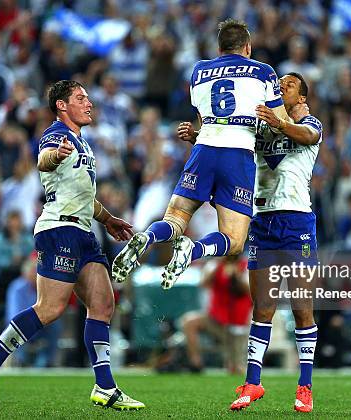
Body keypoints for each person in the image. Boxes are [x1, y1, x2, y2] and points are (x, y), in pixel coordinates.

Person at [0, 80, 144, 410]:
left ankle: (105, 387)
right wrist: (55, 155)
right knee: (50, 308)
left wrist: (108, 220)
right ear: (62, 106)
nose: (89, 103)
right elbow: (43, 160)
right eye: (80, 98)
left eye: (88, 97)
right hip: (58, 229)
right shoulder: (57, 135)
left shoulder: (84, 143)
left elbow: (86, 198)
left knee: (103, 303)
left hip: (84, 232)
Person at [112, 19, 288, 290]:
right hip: (238, 154)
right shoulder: (264, 72)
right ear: (248, 47)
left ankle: (146, 238)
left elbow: (204, 120)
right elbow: (280, 123)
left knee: (176, 217)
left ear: (219, 49)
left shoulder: (199, 71)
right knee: (234, 238)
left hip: (203, 149)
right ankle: (193, 251)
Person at [232, 73, 322, 412]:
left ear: (301, 97)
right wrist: (198, 136)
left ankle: (305, 387)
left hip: (297, 220)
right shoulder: (262, 128)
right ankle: (253, 383)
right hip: (263, 220)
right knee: (263, 308)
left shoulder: (310, 123)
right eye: (280, 83)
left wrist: (280, 122)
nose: (282, 86)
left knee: (302, 309)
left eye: (290, 84)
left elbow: (307, 134)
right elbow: (236, 147)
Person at [180, 255, 251, 374]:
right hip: (216, 319)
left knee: (235, 368)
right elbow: (203, 283)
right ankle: (196, 363)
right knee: (189, 322)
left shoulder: (246, 266)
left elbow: (249, 290)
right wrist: (218, 267)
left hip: (238, 323)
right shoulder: (215, 264)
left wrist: (235, 276)